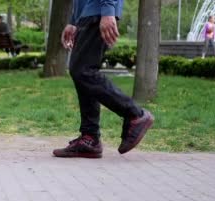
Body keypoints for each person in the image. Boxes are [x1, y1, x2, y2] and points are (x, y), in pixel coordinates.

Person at [55, 0, 154, 158]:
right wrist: (74, 20)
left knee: (83, 70)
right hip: (88, 11)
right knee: (81, 70)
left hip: (98, 9)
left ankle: (135, 114)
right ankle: (89, 138)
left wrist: (108, 10)